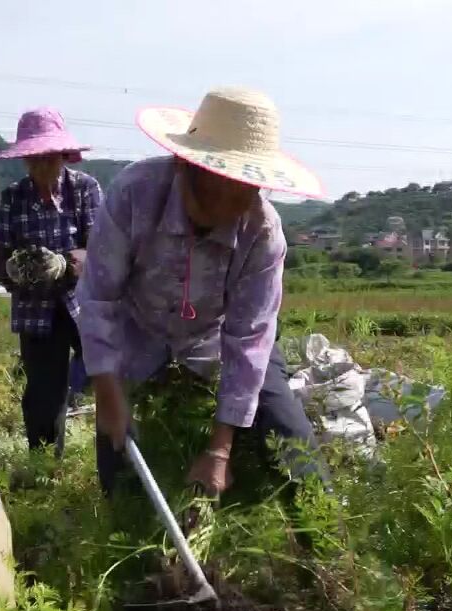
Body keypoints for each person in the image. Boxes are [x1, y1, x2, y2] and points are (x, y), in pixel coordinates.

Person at [76, 87, 327, 498]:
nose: (223, 211)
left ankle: (325, 546)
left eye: (240, 196)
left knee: (287, 434)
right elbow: (99, 298)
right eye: (212, 193)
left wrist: (220, 449)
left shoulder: (263, 233)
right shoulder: (134, 195)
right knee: (118, 451)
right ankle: (126, 523)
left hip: (216, 336)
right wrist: (107, 390)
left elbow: (249, 338)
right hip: (137, 332)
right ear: (183, 166)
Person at [0, 107, 102, 451]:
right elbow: (0, 257)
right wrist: (13, 269)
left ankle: (116, 453)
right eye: (33, 159)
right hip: (35, 310)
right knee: (42, 391)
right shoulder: (13, 197)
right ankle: (43, 463)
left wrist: (66, 264)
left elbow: (102, 250)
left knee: (109, 375)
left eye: (48, 157)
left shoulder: (84, 190)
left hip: (83, 303)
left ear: (62, 155)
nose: (41, 166)